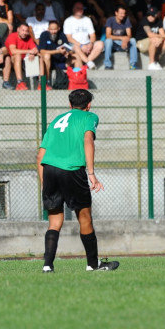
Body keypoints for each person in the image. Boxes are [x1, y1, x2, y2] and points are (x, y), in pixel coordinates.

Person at [37, 89, 119, 273]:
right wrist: (91, 174)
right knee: (84, 218)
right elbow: (88, 140)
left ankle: (47, 265)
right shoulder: (89, 117)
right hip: (73, 170)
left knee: (54, 221)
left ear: (70, 104)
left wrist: (44, 183)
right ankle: (92, 264)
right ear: (89, 105)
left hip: (49, 169)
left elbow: (40, 155)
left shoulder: (57, 120)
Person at [64, 3, 104, 70]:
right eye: (78, 8)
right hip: (75, 45)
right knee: (76, 47)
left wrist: (91, 44)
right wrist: (81, 46)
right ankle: (89, 63)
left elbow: (92, 35)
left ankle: (86, 64)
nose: (80, 10)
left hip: (87, 44)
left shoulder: (87, 20)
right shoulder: (68, 21)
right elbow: (69, 38)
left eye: (81, 8)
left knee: (100, 44)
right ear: (73, 9)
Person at [6, 23, 40, 90]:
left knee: (40, 56)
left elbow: (35, 49)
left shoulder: (28, 38)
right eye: (23, 30)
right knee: (17, 56)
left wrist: (32, 53)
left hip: (25, 61)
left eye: (26, 31)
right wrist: (29, 51)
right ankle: (19, 82)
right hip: (12, 61)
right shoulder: (12, 36)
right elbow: (13, 51)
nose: (24, 33)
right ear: (18, 29)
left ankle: (41, 83)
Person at [103, 5, 138, 70]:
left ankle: (133, 64)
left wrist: (125, 40)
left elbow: (129, 35)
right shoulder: (110, 20)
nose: (123, 15)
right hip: (113, 44)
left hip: (123, 44)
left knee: (133, 40)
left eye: (124, 13)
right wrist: (122, 38)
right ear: (116, 13)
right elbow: (108, 35)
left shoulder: (126, 20)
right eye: (121, 13)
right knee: (108, 41)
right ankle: (108, 65)